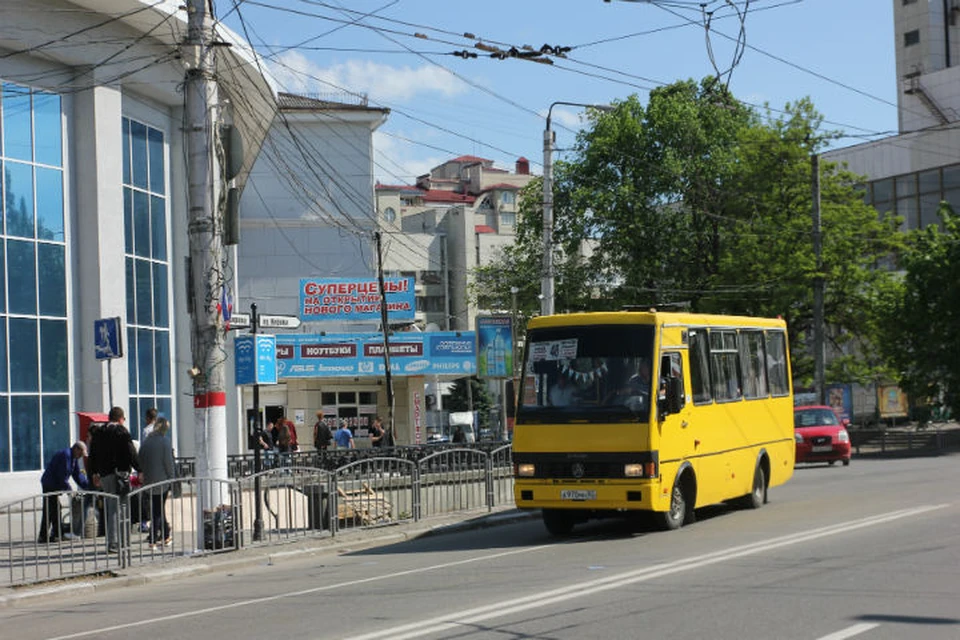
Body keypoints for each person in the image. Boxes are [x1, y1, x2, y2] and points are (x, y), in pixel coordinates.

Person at [88, 406, 141, 553]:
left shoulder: (99, 432)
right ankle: (121, 542)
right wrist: (140, 469)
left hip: (105, 476)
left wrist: (93, 473)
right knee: (123, 508)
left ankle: (113, 542)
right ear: (120, 419)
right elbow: (131, 452)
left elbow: (92, 455)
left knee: (111, 507)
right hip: (120, 475)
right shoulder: (121, 432)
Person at [37, 442, 89, 543]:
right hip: (49, 484)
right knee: (54, 508)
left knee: (50, 509)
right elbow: (62, 476)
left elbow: (77, 475)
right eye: (80, 454)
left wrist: (87, 486)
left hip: (55, 484)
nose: (80, 457)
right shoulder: (66, 456)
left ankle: (45, 535)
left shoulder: (73, 458)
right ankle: (56, 534)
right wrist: (70, 490)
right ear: (76, 449)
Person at [138, 418, 176, 549]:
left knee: (157, 508)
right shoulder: (165, 442)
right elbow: (169, 464)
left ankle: (166, 535)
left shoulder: (146, 442)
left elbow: (140, 459)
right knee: (158, 511)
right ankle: (153, 539)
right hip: (162, 481)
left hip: (149, 481)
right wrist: (173, 479)